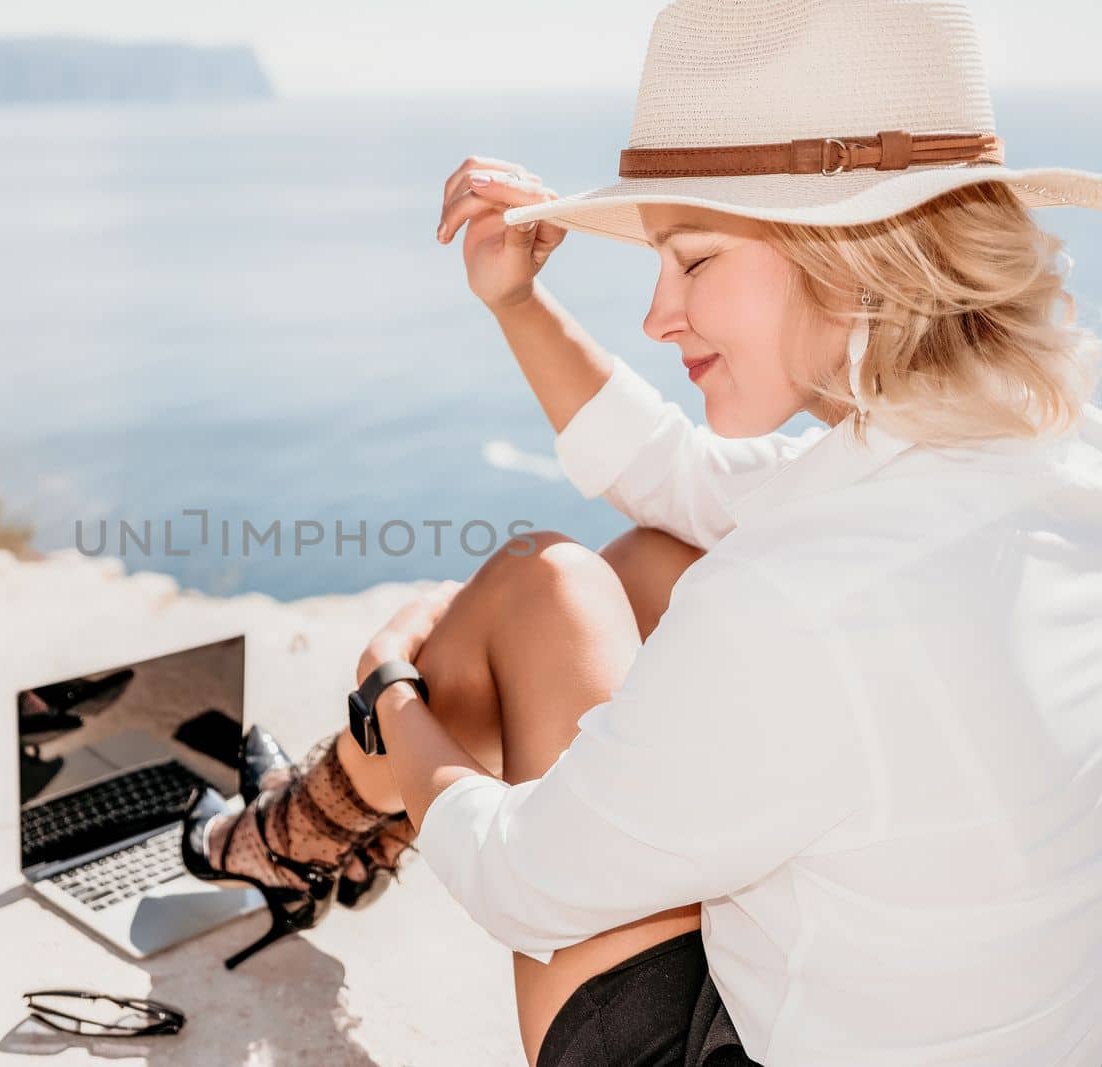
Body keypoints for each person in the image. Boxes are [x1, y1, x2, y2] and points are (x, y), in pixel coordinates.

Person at [181, 1, 1102, 1063]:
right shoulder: (1054, 427)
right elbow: (688, 485)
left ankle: (309, 820)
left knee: (541, 580)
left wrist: (392, 695)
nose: (657, 315)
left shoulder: (799, 596)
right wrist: (517, 301)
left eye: (695, 259)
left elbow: (522, 880)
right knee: (655, 558)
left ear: (853, 253)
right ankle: (325, 817)